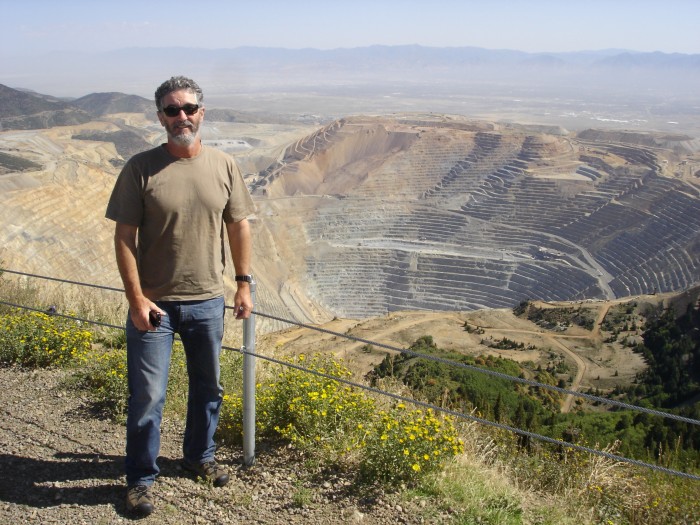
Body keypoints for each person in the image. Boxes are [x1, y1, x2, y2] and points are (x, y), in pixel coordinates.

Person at [105, 76, 256, 517]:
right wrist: (136, 300)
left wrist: (243, 282)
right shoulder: (140, 168)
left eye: (188, 108)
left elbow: (238, 225)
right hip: (154, 306)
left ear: (201, 112)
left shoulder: (225, 165)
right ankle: (140, 480)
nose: (181, 117)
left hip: (208, 300)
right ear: (160, 117)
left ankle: (198, 456)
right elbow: (124, 236)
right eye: (172, 110)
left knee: (209, 387)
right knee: (148, 395)